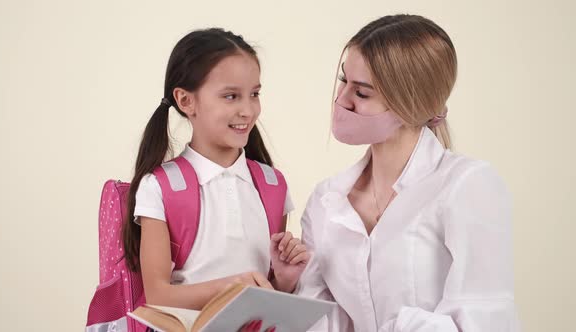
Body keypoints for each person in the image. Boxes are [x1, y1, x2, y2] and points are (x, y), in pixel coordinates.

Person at [296, 14, 520, 331]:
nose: (341, 100)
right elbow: (318, 318)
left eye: (361, 93)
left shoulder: (467, 186)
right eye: (343, 81)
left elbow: (484, 318)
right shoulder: (325, 199)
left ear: (409, 104)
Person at [121, 28, 309, 332]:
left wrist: (284, 281)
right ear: (186, 101)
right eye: (230, 96)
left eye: (255, 94)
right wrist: (234, 287)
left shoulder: (273, 185)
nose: (247, 110)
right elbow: (158, 295)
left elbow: (266, 290)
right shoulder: (159, 187)